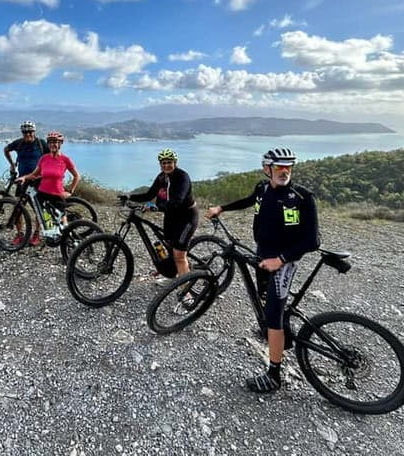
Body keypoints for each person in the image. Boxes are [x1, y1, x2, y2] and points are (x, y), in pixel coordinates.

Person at [205, 147, 319, 393]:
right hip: (263, 254)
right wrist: (221, 208)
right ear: (267, 168)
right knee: (267, 298)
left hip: (284, 261)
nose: (284, 171)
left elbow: (312, 241)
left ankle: (274, 374)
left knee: (273, 316)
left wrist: (281, 259)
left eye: (288, 166)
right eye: (279, 166)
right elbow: (248, 201)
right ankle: (280, 335)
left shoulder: (302, 197)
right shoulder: (262, 189)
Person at [120, 148, 198, 284]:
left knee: (179, 255)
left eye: (169, 162)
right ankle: (177, 272)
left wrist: (156, 207)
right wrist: (129, 196)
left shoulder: (182, 177)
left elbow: (177, 201)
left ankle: (186, 292)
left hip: (187, 217)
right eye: (163, 163)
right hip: (170, 216)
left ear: (175, 162)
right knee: (167, 243)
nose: (166, 165)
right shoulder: (162, 177)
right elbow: (149, 195)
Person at [17, 131, 81, 247]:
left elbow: (77, 176)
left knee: (63, 221)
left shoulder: (65, 159)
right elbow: (35, 174)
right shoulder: (44, 158)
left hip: (57, 194)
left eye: (56, 142)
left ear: (60, 143)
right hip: (42, 194)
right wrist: (24, 177)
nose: (53, 145)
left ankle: (71, 243)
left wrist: (70, 191)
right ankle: (49, 237)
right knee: (46, 219)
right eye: (51, 142)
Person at [3, 121, 48, 244]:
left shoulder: (41, 144)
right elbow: (6, 150)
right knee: (18, 208)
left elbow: (50, 159)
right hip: (22, 181)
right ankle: (20, 234)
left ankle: (37, 234)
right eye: (25, 132)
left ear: (34, 132)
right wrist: (12, 164)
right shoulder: (19, 143)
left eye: (30, 131)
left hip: (38, 181)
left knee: (38, 210)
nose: (28, 134)